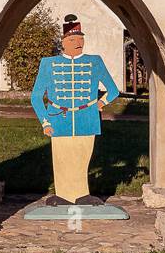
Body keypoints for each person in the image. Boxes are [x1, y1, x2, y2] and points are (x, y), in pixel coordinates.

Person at [29, 14, 121, 205]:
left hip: (86, 116)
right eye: (72, 40)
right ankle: (63, 195)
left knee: (82, 157)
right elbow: (36, 96)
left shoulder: (94, 61)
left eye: (80, 39)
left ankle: (81, 194)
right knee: (62, 157)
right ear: (63, 43)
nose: (78, 43)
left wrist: (100, 104)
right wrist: (45, 121)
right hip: (57, 117)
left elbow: (112, 90)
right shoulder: (49, 63)